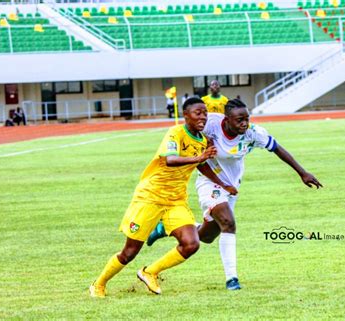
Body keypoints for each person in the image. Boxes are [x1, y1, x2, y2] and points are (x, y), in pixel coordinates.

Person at [148, 99, 323, 290]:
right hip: (209, 181)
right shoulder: (210, 123)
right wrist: (203, 147)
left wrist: (302, 173)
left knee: (207, 236)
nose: (244, 123)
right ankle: (232, 279)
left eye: (247, 119)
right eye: (240, 120)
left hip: (232, 186)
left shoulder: (252, 133)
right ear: (226, 119)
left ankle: (167, 228)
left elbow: (278, 149)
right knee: (229, 223)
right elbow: (190, 135)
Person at [90, 97, 218, 298]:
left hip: (175, 200)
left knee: (191, 244)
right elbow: (170, 160)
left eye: (205, 113)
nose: (203, 116)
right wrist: (199, 157)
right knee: (130, 252)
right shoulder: (175, 133)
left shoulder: (202, 141)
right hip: (150, 197)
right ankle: (98, 284)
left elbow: (200, 165)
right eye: (198, 113)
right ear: (186, 115)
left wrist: (223, 183)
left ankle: (150, 272)